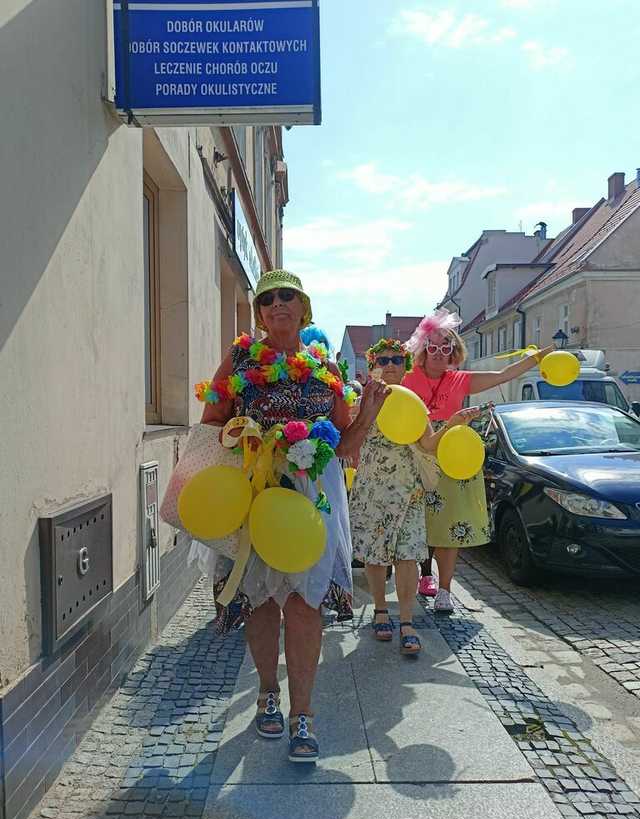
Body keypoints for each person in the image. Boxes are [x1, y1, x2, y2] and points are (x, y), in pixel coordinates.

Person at [197, 270, 388, 763]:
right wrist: (252, 441)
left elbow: (345, 445)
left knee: (305, 604)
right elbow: (211, 424)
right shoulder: (240, 359)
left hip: (310, 499)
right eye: (267, 298)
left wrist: (367, 411)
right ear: (259, 313)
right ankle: (267, 693)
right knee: (261, 602)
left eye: (287, 296)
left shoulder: (324, 366)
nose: (277, 304)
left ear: (304, 307)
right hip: (254, 493)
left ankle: (304, 713)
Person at [402, 309, 553, 612]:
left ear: (454, 352)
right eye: (433, 345)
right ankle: (425, 571)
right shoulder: (408, 380)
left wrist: (536, 359)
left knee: (451, 524)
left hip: (456, 458)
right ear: (423, 349)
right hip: (418, 456)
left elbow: (504, 375)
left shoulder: (461, 380)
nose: (439, 352)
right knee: (422, 522)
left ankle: (444, 591)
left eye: (446, 347)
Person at [349, 338, 478, 655]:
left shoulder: (415, 402)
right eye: (383, 360)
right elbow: (348, 440)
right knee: (376, 555)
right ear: (373, 366)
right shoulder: (360, 400)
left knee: (408, 555)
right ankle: (381, 610)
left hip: (409, 490)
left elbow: (429, 445)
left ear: (405, 365)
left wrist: (452, 423)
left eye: (396, 359)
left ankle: (406, 621)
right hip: (374, 489)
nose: (390, 365)